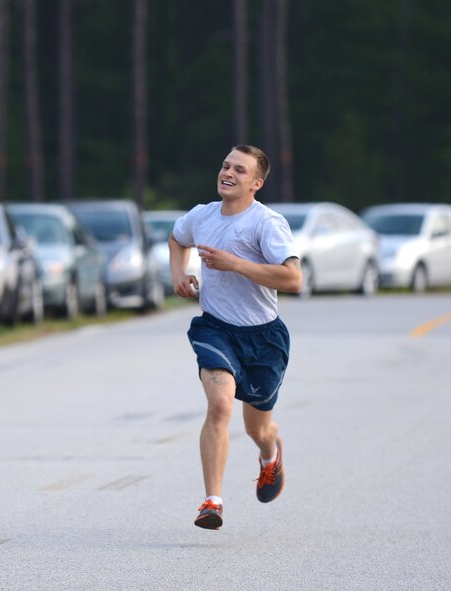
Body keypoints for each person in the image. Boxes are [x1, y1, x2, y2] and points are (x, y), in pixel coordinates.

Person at [168, 145, 302, 530]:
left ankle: (270, 454)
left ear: (256, 183)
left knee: (257, 428)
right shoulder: (202, 216)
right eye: (226, 165)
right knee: (220, 407)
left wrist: (236, 264)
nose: (228, 172)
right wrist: (178, 274)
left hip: (264, 338)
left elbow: (294, 279)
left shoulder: (266, 224)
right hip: (216, 328)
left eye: (239, 170)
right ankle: (212, 501)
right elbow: (177, 239)